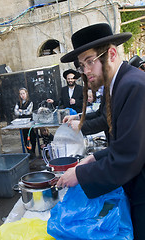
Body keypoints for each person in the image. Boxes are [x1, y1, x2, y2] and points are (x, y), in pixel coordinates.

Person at [57, 23, 145, 239]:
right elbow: (130, 141)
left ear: (112, 54)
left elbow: (129, 159)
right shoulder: (121, 84)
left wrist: (78, 173)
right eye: (81, 65)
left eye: (90, 62)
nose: (86, 72)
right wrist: (95, 157)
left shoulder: (133, 86)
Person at [14, 87, 36, 157]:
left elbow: (29, 112)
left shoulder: (30, 102)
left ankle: (33, 151)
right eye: (21, 94)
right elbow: (16, 112)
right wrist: (24, 112)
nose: (22, 95)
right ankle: (28, 151)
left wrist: (21, 111)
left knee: (32, 137)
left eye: (23, 93)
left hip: (29, 122)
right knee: (25, 137)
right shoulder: (18, 103)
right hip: (21, 123)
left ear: (26, 94)